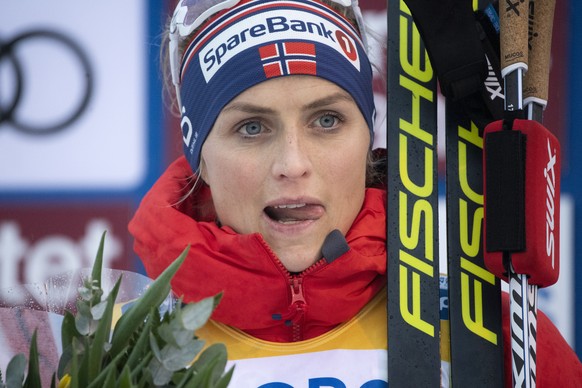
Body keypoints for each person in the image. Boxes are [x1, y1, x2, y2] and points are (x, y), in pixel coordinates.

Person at [129, 0, 582, 386]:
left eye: (326, 120)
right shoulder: (120, 352)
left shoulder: (496, 336)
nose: (293, 165)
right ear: (199, 157)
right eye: (251, 127)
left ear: (368, 136)